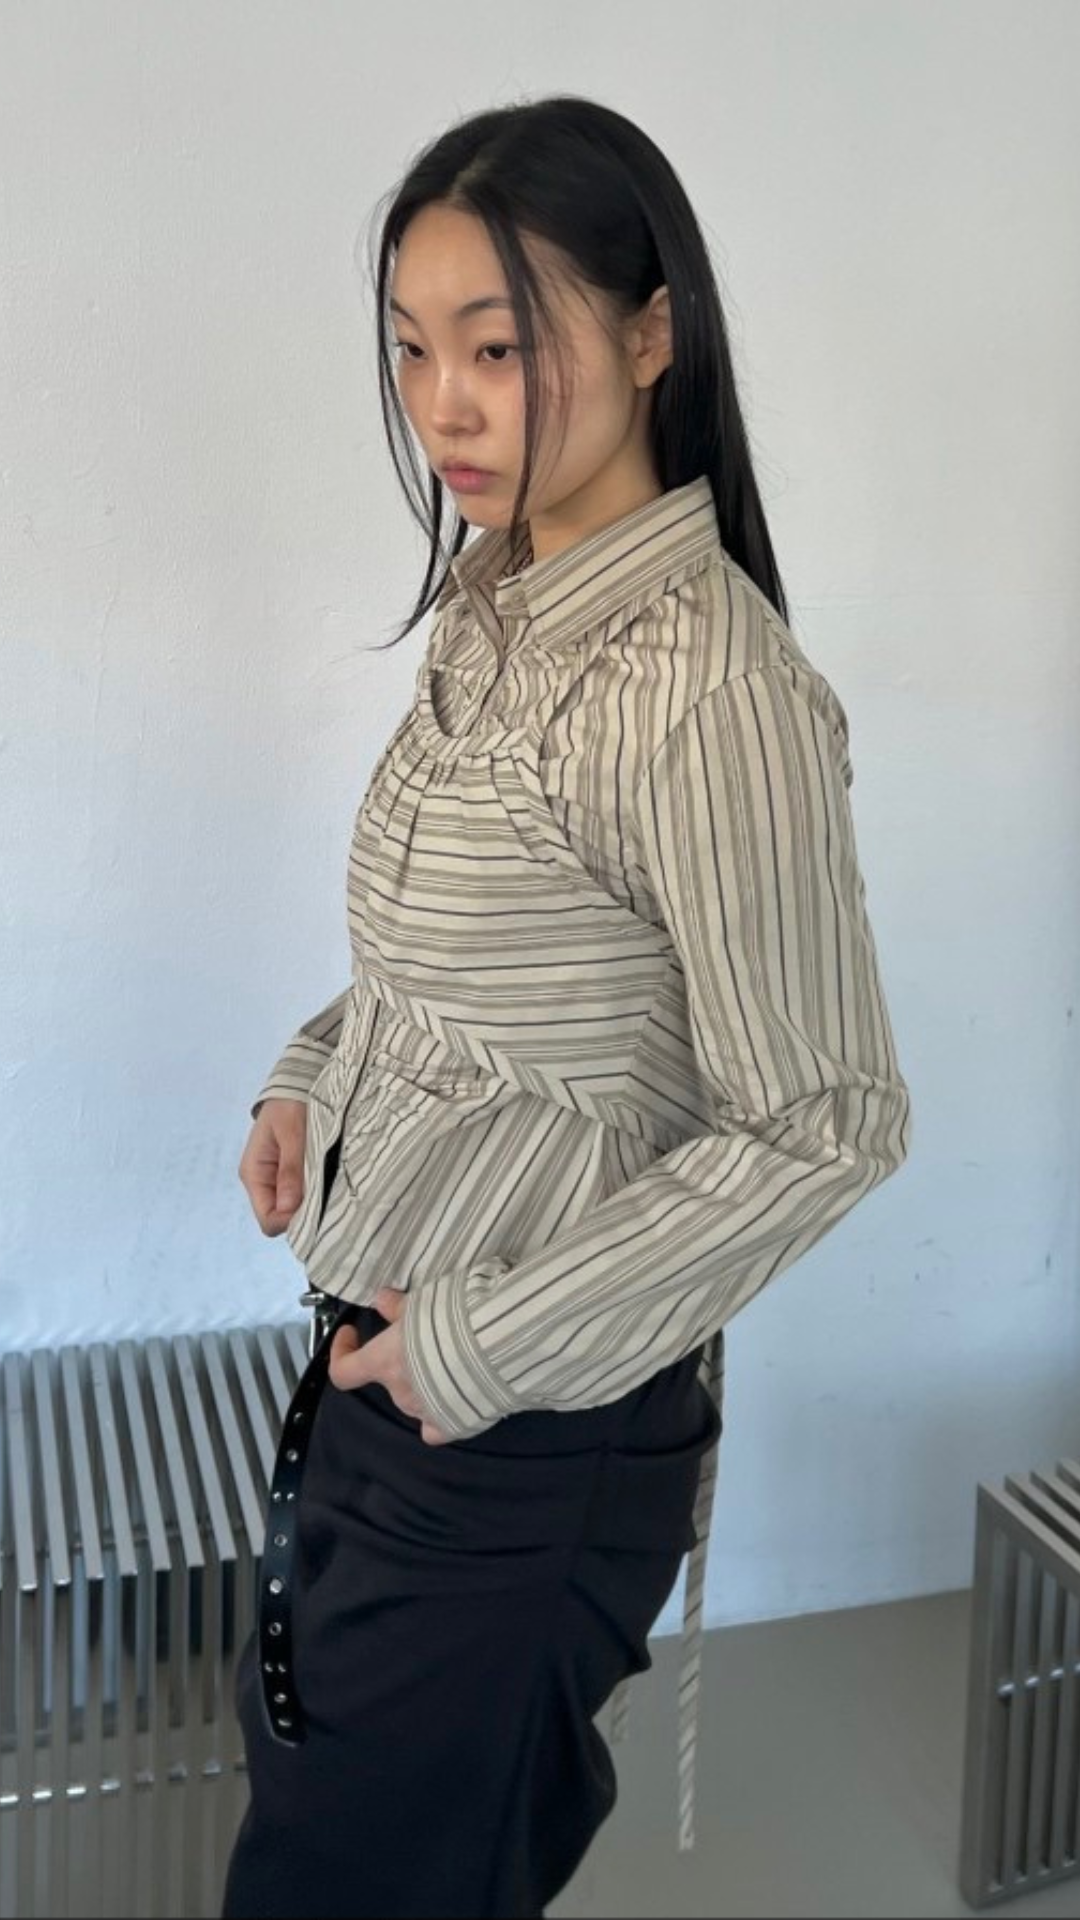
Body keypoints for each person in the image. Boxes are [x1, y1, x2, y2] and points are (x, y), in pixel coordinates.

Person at [223, 92, 912, 1920]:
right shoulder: (493, 605)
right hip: (389, 1374)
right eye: (411, 348)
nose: (444, 405)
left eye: (500, 345)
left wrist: (475, 1349)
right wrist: (311, 1079)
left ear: (652, 330)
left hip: (519, 1439)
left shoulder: (711, 693)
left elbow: (827, 1120)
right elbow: (462, 978)